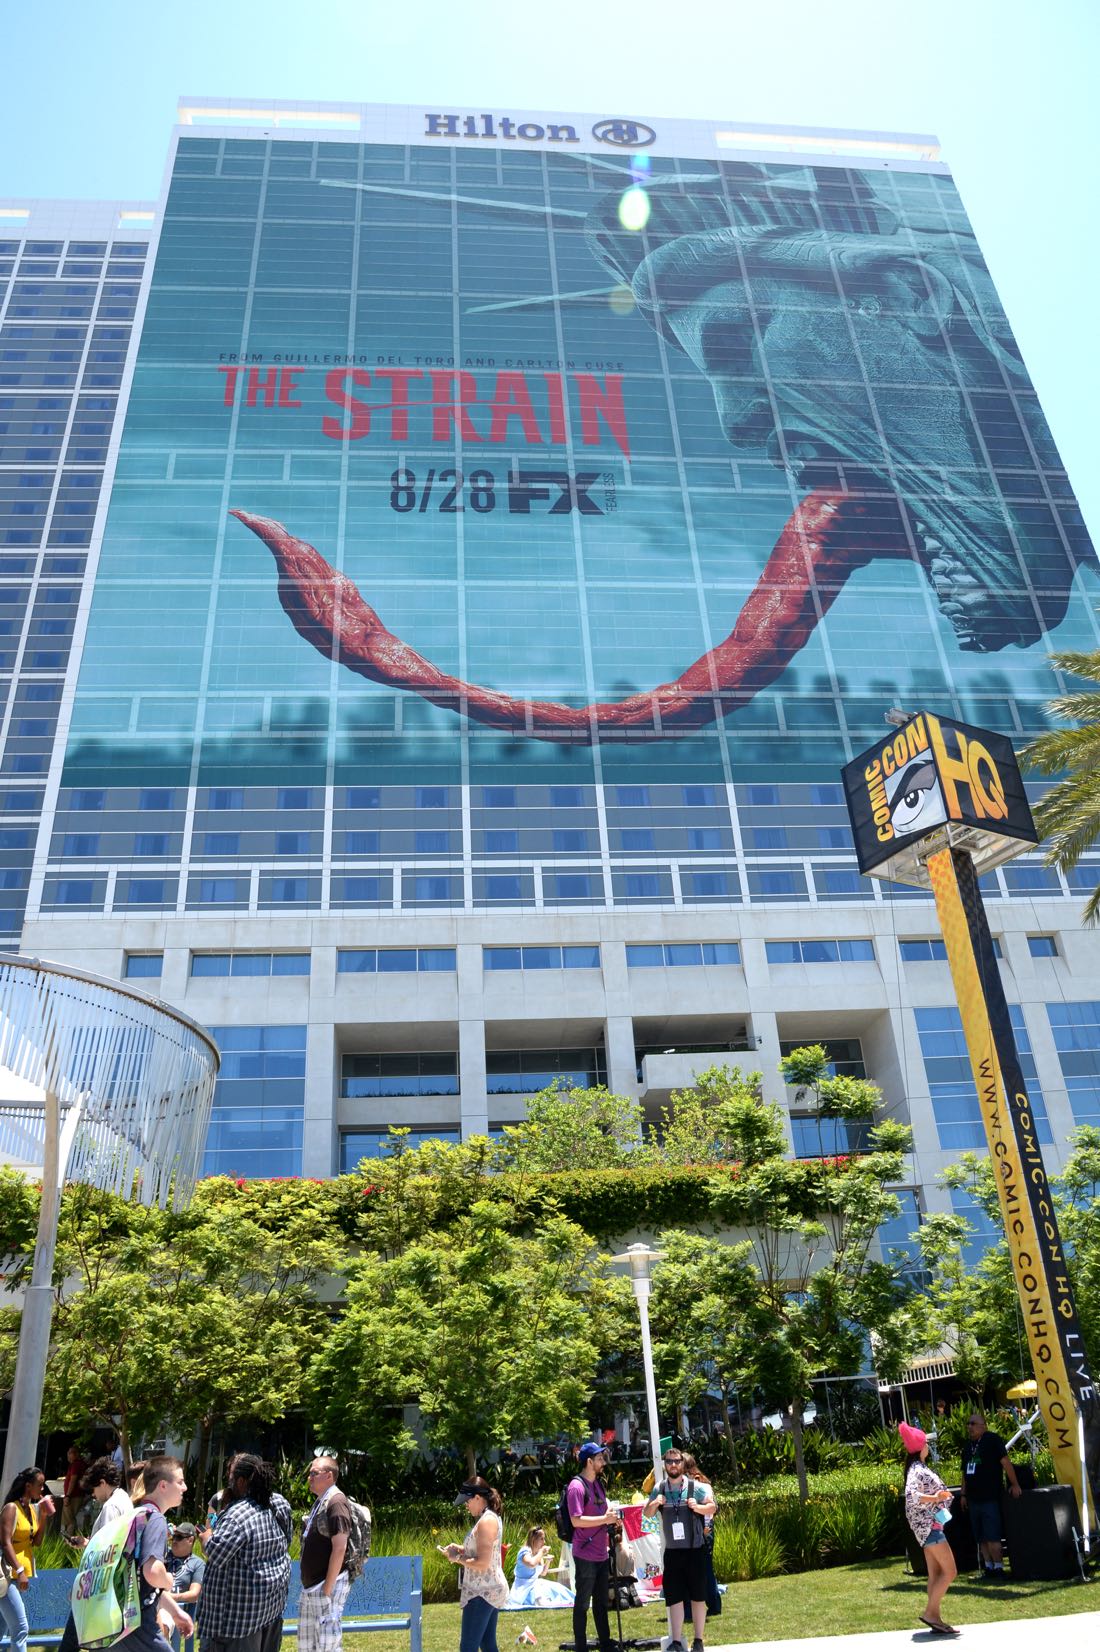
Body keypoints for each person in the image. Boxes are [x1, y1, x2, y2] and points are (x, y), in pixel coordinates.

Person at [196, 1452, 290, 1652]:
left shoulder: (238, 1515)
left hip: (237, 1623)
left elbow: (216, 1554)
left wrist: (206, 1537)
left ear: (240, 1481)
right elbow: (287, 1540)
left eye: (231, 1476)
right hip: (270, 1609)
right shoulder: (278, 1503)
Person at [56, 1456, 137, 1652]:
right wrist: (87, 1543)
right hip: (112, 1584)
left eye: (93, 1489)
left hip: (97, 1586)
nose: (93, 1494)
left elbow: (105, 1553)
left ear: (102, 1483)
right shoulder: (124, 1499)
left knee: (70, 1643)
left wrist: (81, 1587)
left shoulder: (110, 1507)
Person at [643, 1446, 715, 1652]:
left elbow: (712, 1507)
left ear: (683, 1464)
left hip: (694, 1551)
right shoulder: (660, 1488)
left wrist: (698, 1507)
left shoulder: (696, 1487)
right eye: (669, 1462)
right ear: (665, 1465)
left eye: (676, 1461)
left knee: (698, 1596)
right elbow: (647, 1513)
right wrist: (655, 1503)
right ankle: (676, 1642)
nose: (673, 1465)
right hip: (673, 1553)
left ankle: (698, 1641)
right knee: (674, 1597)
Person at [127, 1456, 195, 1652]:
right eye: (180, 1482)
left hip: (120, 1623)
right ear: (163, 1485)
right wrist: (168, 1580)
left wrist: (175, 1613)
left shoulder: (135, 1515)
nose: (185, 1488)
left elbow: (141, 1583)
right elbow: (153, 1572)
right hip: (140, 1624)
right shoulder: (155, 1519)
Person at [900, 1421, 958, 1637]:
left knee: (935, 1574)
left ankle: (936, 1617)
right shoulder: (917, 1470)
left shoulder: (915, 1468)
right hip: (931, 1528)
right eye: (925, 1443)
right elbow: (912, 1496)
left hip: (929, 1528)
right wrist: (936, 1497)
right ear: (921, 1447)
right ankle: (930, 1614)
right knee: (950, 1572)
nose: (928, 1446)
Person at [441, 1477, 509, 1652]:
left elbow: (483, 1562)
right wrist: (461, 1549)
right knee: (487, 1644)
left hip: (482, 1592)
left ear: (478, 1498)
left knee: (468, 1647)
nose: (466, 1505)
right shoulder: (488, 1518)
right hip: (487, 1590)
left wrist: (457, 1558)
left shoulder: (486, 1521)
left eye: (467, 1501)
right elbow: (483, 1552)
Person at [565, 1443, 617, 1652]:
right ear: (589, 1461)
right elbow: (576, 1520)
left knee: (602, 1602)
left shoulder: (598, 1484)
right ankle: (580, 1645)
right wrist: (604, 1519)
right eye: (599, 1459)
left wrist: (610, 1517)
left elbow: (601, 1512)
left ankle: (605, 1641)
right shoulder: (576, 1487)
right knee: (583, 1602)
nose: (603, 1462)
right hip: (585, 1554)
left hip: (601, 1553)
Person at [299, 1455, 353, 1652]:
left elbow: (340, 1548)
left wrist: (327, 1589)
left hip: (326, 1587)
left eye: (314, 1473)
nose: (309, 1478)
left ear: (329, 1476)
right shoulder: (322, 1500)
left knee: (327, 1647)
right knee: (308, 1647)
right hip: (312, 1588)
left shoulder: (336, 1501)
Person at [960, 1411, 1022, 1579]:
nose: (969, 1427)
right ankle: (988, 1567)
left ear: (983, 1426)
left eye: (973, 1423)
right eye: (968, 1423)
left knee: (992, 1535)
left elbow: (1006, 1463)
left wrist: (1015, 1484)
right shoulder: (967, 1447)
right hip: (973, 1499)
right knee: (981, 1537)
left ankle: (999, 1568)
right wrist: (963, 1495)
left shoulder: (992, 1440)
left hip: (990, 1498)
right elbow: (964, 1473)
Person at [0, 1467, 52, 1652]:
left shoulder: (31, 1509)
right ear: (28, 1486)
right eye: (40, 1485)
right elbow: (5, 1543)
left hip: (18, 1576)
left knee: (2, 1627)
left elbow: (36, 1542)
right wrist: (20, 1570)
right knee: (21, 1628)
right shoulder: (11, 1508)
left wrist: (43, 1516)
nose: (43, 1489)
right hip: (7, 1576)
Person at [680, 1456, 720, 1620]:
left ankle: (710, 1604)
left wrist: (705, 1529)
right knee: (705, 1569)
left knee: (704, 1570)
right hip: (704, 1530)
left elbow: (711, 1509)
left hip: (702, 1530)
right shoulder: (702, 1482)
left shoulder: (698, 1485)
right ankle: (713, 1604)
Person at [161, 1524, 206, 1651]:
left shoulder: (197, 1564)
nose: (174, 1540)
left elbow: (194, 1594)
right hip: (157, 1605)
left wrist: (170, 1597)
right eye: (174, 1536)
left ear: (190, 1540)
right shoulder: (163, 1554)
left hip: (178, 1609)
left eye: (179, 1537)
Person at [507, 1526, 574, 1609]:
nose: (544, 1542)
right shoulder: (525, 1551)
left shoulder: (538, 1553)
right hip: (523, 1587)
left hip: (535, 1584)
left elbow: (543, 1573)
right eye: (541, 1539)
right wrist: (541, 1552)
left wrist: (548, 1561)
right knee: (541, 1600)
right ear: (533, 1539)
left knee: (558, 1587)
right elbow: (531, 1564)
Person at [61, 1446, 88, 1537]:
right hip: (77, 1495)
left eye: (70, 1453)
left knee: (69, 1519)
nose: (68, 1455)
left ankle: (69, 1539)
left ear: (76, 1454)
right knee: (70, 1518)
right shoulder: (79, 1464)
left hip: (73, 1496)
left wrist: (68, 1496)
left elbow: (73, 1480)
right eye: (68, 1453)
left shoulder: (76, 1464)